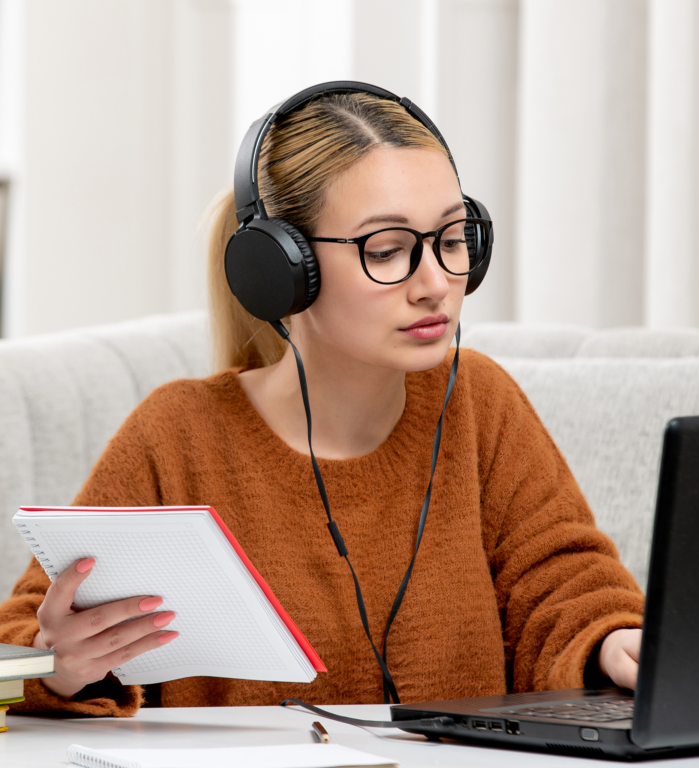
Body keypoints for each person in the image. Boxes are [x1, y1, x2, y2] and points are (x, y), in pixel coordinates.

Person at [0, 87, 643, 717]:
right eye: (387, 250)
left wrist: (615, 641)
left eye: (453, 238)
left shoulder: (479, 400)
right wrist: (57, 670)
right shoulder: (178, 434)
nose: (437, 284)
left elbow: (562, 583)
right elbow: (18, 648)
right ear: (282, 267)